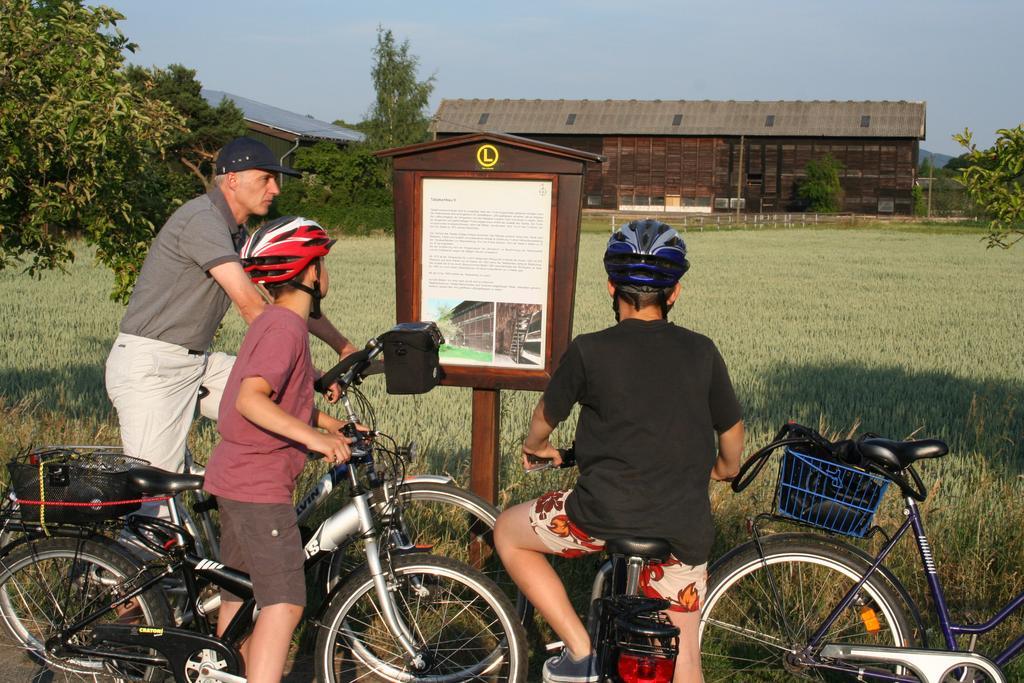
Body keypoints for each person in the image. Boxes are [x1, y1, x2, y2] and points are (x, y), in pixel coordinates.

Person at [493, 220, 745, 683]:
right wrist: (723, 469)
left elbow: (544, 417)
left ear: (612, 287)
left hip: (598, 516)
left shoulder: (590, 350)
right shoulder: (702, 352)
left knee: (508, 531)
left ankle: (581, 648)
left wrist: (538, 447)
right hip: (682, 530)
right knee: (684, 653)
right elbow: (732, 434)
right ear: (674, 294)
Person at [105, 137, 356, 498]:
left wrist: (343, 348)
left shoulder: (236, 233)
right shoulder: (202, 221)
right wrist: (307, 369)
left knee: (275, 396)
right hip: (153, 365)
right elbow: (252, 307)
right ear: (233, 179)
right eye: (266, 179)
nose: (275, 190)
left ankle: (334, 430)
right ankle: (121, 554)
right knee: (153, 501)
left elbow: (290, 296)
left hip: (194, 362)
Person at [202, 217, 353, 683]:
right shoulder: (286, 330)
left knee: (240, 597)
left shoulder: (276, 320)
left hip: (236, 478)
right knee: (285, 603)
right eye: (323, 261)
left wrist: (333, 424)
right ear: (310, 272)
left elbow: (279, 402)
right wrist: (316, 439)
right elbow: (250, 400)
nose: (326, 271)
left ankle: (223, 674)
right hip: (258, 487)